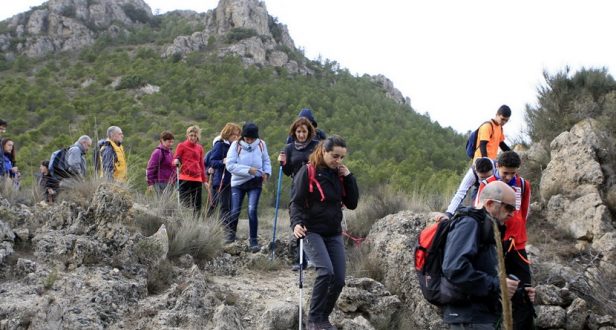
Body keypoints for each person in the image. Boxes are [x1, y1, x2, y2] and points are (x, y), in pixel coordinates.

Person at [442, 181, 535, 329]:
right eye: (508, 207)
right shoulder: (468, 223)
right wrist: (499, 285)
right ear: (490, 203)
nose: (512, 214)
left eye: (514, 209)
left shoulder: (488, 229)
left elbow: (486, 272)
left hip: (481, 317)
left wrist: (518, 292)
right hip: (469, 319)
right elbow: (455, 268)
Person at [290, 135, 359, 330]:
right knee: (325, 271)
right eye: (335, 156)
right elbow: (295, 202)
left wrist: (349, 177)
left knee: (338, 279)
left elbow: (352, 203)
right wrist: (296, 223)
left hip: (333, 232)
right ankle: (313, 320)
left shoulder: (339, 175)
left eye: (342, 157)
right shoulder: (308, 171)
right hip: (311, 230)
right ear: (324, 151)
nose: (339, 161)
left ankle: (322, 318)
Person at [475, 151, 534, 330]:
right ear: (497, 168)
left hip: (517, 244)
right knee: (495, 288)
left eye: (512, 173)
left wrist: (517, 230)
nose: (508, 177)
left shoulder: (524, 185)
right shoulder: (486, 184)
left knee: (525, 293)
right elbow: (479, 211)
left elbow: (524, 212)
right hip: (495, 243)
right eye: (505, 173)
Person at [278, 117, 320, 271]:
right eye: (298, 131)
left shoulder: (317, 146)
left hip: (315, 187)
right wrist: (283, 163)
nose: (301, 134)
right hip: (297, 186)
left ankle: (316, 258)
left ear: (309, 132)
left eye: (304, 131)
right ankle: (300, 260)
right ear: (294, 132)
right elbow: (288, 171)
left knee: (314, 220)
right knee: (298, 220)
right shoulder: (288, 148)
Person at [225, 122, 272, 251]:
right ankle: (230, 236)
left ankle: (253, 240)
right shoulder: (236, 145)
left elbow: (266, 161)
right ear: (243, 136)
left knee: (252, 210)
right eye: (247, 138)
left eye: (252, 138)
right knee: (235, 211)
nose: (249, 141)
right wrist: (248, 170)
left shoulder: (261, 145)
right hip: (238, 183)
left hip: (255, 182)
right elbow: (230, 165)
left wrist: (267, 173)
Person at [433, 157, 495, 222]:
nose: (485, 180)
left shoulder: (499, 169)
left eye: (488, 177)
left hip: (496, 188)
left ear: (493, 169)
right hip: (479, 190)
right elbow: (460, 193)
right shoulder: (471, 174)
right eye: (482, 178)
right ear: (476, 171)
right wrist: (448, 214)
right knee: (478, 213)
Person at [207, 123, 241, 223]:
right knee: (225, 206)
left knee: (233, 207)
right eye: (233, 134)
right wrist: (223, 161)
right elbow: (212, 161)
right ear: (227, 133)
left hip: (235, 180)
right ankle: (225, 232)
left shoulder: (237, 146)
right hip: (223, 181)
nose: (235, 137)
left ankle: (231, 231)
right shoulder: (220, 144)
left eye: (237, 134)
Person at [173, 125, 207, 214]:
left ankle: (195, 223)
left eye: (195, 136)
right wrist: (176, 160)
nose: (193, 137)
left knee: (197, 205)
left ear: (197, 137)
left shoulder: (199, 148)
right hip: (184, 178)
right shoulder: (181, 146)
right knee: (185, 203)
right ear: (187, 135)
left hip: (197, 179)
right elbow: (175, 159)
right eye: (191, 135)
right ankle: (185, 223)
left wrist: (205, 180)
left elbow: (201, 164)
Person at [146, 131, 176, 195]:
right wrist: (150, 183)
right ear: (162, 140)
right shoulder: (158, 152)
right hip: (160, 183)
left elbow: (172, 168)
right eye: (169, 142)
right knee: (161, 203)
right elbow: (150, 168)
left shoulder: (170, 152)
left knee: (167, 203)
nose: (171, 144)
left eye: (172, 142)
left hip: (170, 183)